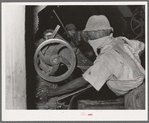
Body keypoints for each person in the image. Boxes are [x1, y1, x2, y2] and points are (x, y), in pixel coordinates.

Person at [36, 15, 145, 100]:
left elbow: (83, 82)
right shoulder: (121, 40)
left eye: (89, 33)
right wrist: (131, 64)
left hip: (135, 95)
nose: (88, 36)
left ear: (99, 32)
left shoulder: (106, 58)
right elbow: (142, 47)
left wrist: (52, 92)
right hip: (143, 86)